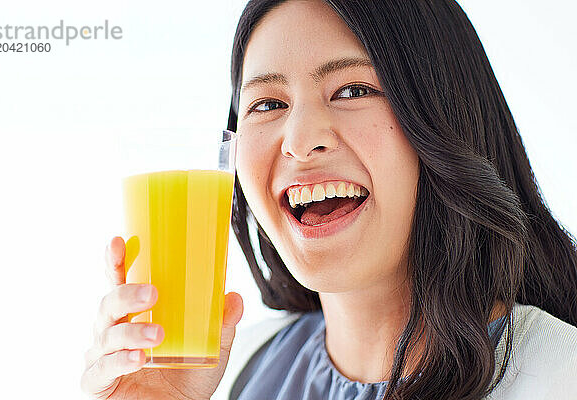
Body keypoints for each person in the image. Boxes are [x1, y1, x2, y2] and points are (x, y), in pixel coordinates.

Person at [81, 0, 577, 399]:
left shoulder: (558, 375)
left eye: (352, 90)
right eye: (268, 104)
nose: (300, 140)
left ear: (444, 117)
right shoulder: (235, 376)